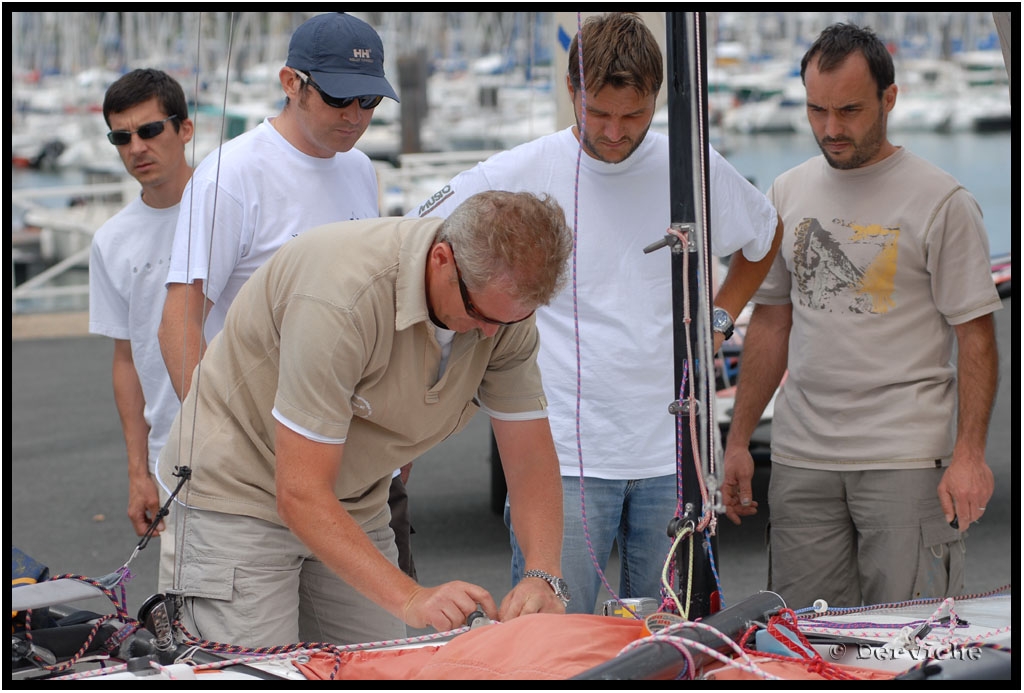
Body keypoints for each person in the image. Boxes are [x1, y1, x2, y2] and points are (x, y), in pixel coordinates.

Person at [409, 12, 783, 615]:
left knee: (677, 637)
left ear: (657, 101)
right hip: (561, 457)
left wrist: (719, 322)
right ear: (571, 91)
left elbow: (764, 237)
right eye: (599, 114)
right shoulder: (517, 172)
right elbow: (421, 241)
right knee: (556, 638)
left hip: (674, 450)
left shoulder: (692, 164)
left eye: (633, 116)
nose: (614, 132)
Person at [156, 190, 574, 647]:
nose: (493, 332)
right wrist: (412, 598)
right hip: (236, 495)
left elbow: (530, 457)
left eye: (513, 319)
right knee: (257, 673)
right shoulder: (341, 296)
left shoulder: (502, 311)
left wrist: (543, 574)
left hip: (354, 500)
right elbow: (298, 493)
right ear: (441, 260)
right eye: (480, 314)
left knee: (380, 666)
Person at [721, 23, 1001, 609]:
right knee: (804, 646)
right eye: (816, 110)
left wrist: (970, 455)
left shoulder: (942, 201)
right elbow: (772, 322)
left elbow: (975, 336)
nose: (830, 128)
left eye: (848, 110)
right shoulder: (787, 191)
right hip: (802, 461)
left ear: (889, 99)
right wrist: (740, 439)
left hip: (905, 461)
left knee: (908, 649)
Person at [156, 13, 417, 579]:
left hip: (355, 462)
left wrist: (398, 434)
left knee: (377, 655)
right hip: (256, 467)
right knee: (262, 659)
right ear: (290, 83)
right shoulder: (233, 174)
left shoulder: (360, 168)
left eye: (370, 102)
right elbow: (179, 319)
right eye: (339, 99)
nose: (355, 117)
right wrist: (221, 439)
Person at [88, 69, 194, 593]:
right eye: (120, 137)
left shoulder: (232, 208)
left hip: (264, 442)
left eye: (150, 130)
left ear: (185, 129)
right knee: (202, 638)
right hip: (173, 463)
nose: (136, 147)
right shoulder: (111, 240)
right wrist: (138, 472)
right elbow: (126, 360)